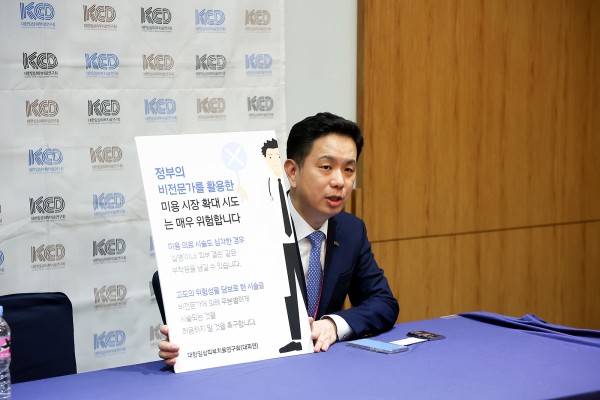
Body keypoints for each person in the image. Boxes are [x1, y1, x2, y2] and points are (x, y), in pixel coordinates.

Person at [158, 112, 399, 366]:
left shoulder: (351, 230)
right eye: (326, 167)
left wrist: (333, 324)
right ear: (292, 172)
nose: (340, 181)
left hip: (322, 367)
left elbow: (383, 303)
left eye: (348, 169)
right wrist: (189, 338)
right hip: (256, 368)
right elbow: (171, 282)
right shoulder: (248, 227)